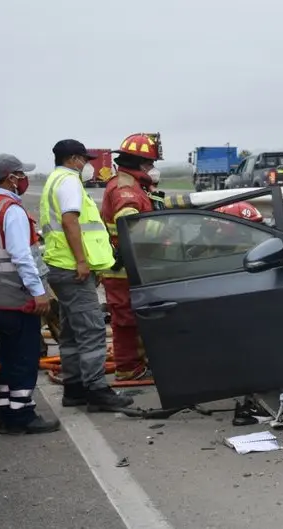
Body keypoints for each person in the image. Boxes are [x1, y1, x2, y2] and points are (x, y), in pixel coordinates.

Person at [40, 139, 132, 411]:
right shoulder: (68, 181)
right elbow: (70, 221)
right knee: (92, 329)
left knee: (71, 332)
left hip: (60, 265)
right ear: (72, 159)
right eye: (84, 159)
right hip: (71, 268)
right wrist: (82, 261)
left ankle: (75, 389)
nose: (88, 165)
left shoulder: (54, 180)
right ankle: (96, 390)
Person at [0, 154, 60, 434]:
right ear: (10, 178)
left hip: (0, 298)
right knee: (24, 359)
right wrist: (39, 292)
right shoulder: (10, 209)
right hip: (18, 298)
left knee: (10, 358)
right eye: (20, 174)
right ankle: (21, 416)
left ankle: (7, 412)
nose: (24, 179)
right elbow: (21, 256)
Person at [100, 133, 164, 383]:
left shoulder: (131, 184)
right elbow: (130, 225)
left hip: (131, 265)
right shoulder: (125, 189)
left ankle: (138, 363)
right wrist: (165, 230)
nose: (151, 169)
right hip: (123, 268)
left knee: (135, 317)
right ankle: (128, 368)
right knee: (127, 320)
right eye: (149, 164)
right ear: (138, 163)